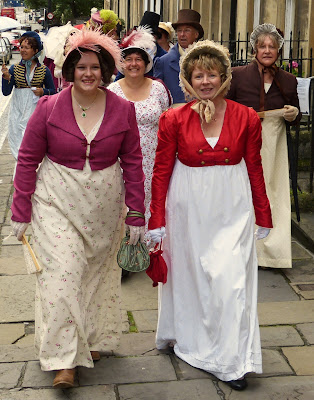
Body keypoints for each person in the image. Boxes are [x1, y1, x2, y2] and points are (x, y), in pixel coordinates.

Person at [10, 28, 145, 389]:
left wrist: (136, 211)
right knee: (62, 277)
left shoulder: (124, 109)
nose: (88, 73)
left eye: (95, 67)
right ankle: (63, 359)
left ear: (105, 71)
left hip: (104, 205)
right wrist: (20, 209)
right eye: (81, 67)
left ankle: (90, 339)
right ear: (69, 70)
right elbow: (26, 160)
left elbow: (133, 160)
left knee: (94, 277)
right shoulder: (49, 106)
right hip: (55, 200)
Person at [148, 40, 272, 390]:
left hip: (233, 207)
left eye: (212, 75)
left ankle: (231, 361)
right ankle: (187, 336)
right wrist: (156, 220)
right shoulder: (172, 117)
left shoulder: (245, 116)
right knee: (192, 280)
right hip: (187, 208)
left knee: (231, 281)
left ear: (224, 77)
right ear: (188, 79)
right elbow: (161, 171)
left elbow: (255, 166)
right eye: (198, 75)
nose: (206, 82)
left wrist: (263, 213)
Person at [226, 23, 301, 269]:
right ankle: (243, 251)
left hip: (275, 144)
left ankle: (271, 253)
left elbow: (297, 117)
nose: (267, 50)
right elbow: (224, 109)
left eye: (272, 46)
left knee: (274, 194)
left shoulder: (288, 80)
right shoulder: (237, 75)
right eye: (262, 46)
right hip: (244, 141)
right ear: (254, 49)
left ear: (279, 51)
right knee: (243, 192)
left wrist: (293, 114)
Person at [108, 26, 171, 239]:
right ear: (121, 63)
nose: (133, 64)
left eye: (138, 59)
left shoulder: (158, 89)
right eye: (129, 59)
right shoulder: (112, 92)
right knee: (123, 202)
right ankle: (125, 248)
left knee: (152, 200)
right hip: (121, 160)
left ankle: (149, 247)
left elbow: (166, 122)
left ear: (146, 63)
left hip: (153, 159)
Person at [1, 31, 55, 159]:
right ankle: (20, 173)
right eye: (21, 47)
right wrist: (6, 77)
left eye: (26, 47)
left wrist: (43, 92)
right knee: (18, 144)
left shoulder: (44, 70)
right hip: (17, 111)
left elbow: (53, 91)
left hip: (35, 111)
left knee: (33, 144)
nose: (22, 50)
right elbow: (6, 92)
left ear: (35, 50)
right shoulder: (14, 68)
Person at [153, 9, 203, 106]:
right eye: (179, 30)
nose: (182, 34)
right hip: (175, 117)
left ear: (196, 34)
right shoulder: (163, 62)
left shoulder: (207, 59)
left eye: (187, 30)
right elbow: (157, 96)